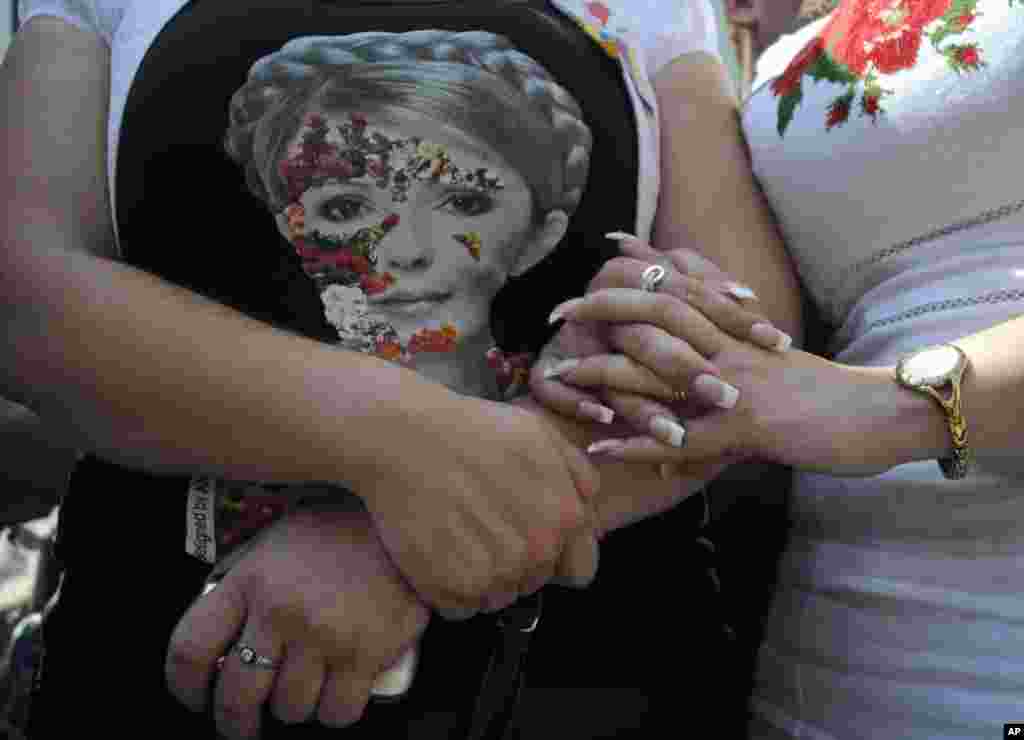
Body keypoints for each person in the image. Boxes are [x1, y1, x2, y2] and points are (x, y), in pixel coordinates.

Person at [3, 1, 796, 738]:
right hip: (166, 664)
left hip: (592, 675)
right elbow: (24, 292)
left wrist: (385, 543)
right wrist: (403, 447)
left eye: (466, 202)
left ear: (541, 232)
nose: (407, 248)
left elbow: (746, 332)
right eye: (343, 207)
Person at [528, 0, 1024, 737]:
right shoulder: (758, 26)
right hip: (838, 640)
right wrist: (657, 321)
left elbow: (820, 395)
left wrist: (881, 407)